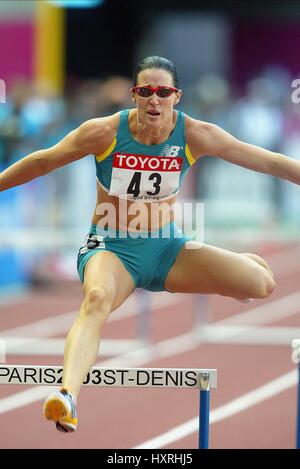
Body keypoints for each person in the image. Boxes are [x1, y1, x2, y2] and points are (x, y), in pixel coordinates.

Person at [3, 55, 299, 433]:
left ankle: (243, 262)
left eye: (163, 92)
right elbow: (43, 161)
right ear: (134, 96)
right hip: (111, 249)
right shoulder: (105, 132)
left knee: (262, 284)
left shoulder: (195, 134)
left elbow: (269, 162)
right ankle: (67, 395)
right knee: (95, 300)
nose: (154, 100)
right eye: (145, 92)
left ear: (177, 96)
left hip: (168, 249)